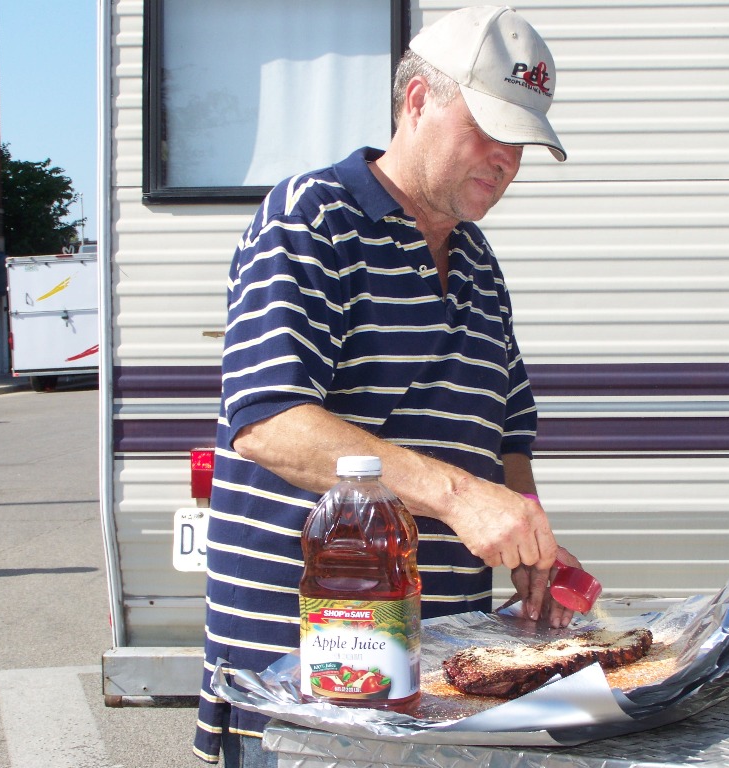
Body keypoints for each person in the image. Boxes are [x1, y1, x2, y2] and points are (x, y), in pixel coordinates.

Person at [194, 6, 578, 765]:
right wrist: (462, 498)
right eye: (489, 129)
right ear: (418, 100)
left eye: (521, 142)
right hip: (306, 678)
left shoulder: (478, 262)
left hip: (440, 676)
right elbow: (270, 422)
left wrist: (530, 539)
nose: (506, 159)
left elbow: (507, 437)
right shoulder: (312, 218)